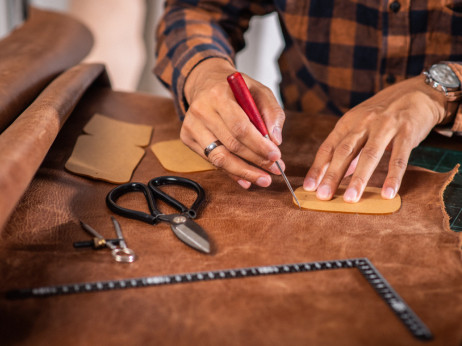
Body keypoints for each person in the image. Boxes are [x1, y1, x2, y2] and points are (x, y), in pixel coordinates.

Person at [154, 0, 462, 203]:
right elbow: (197, 8)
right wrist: (202, 71)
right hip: (306, 140)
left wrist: (441, 91)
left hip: (450, 147)